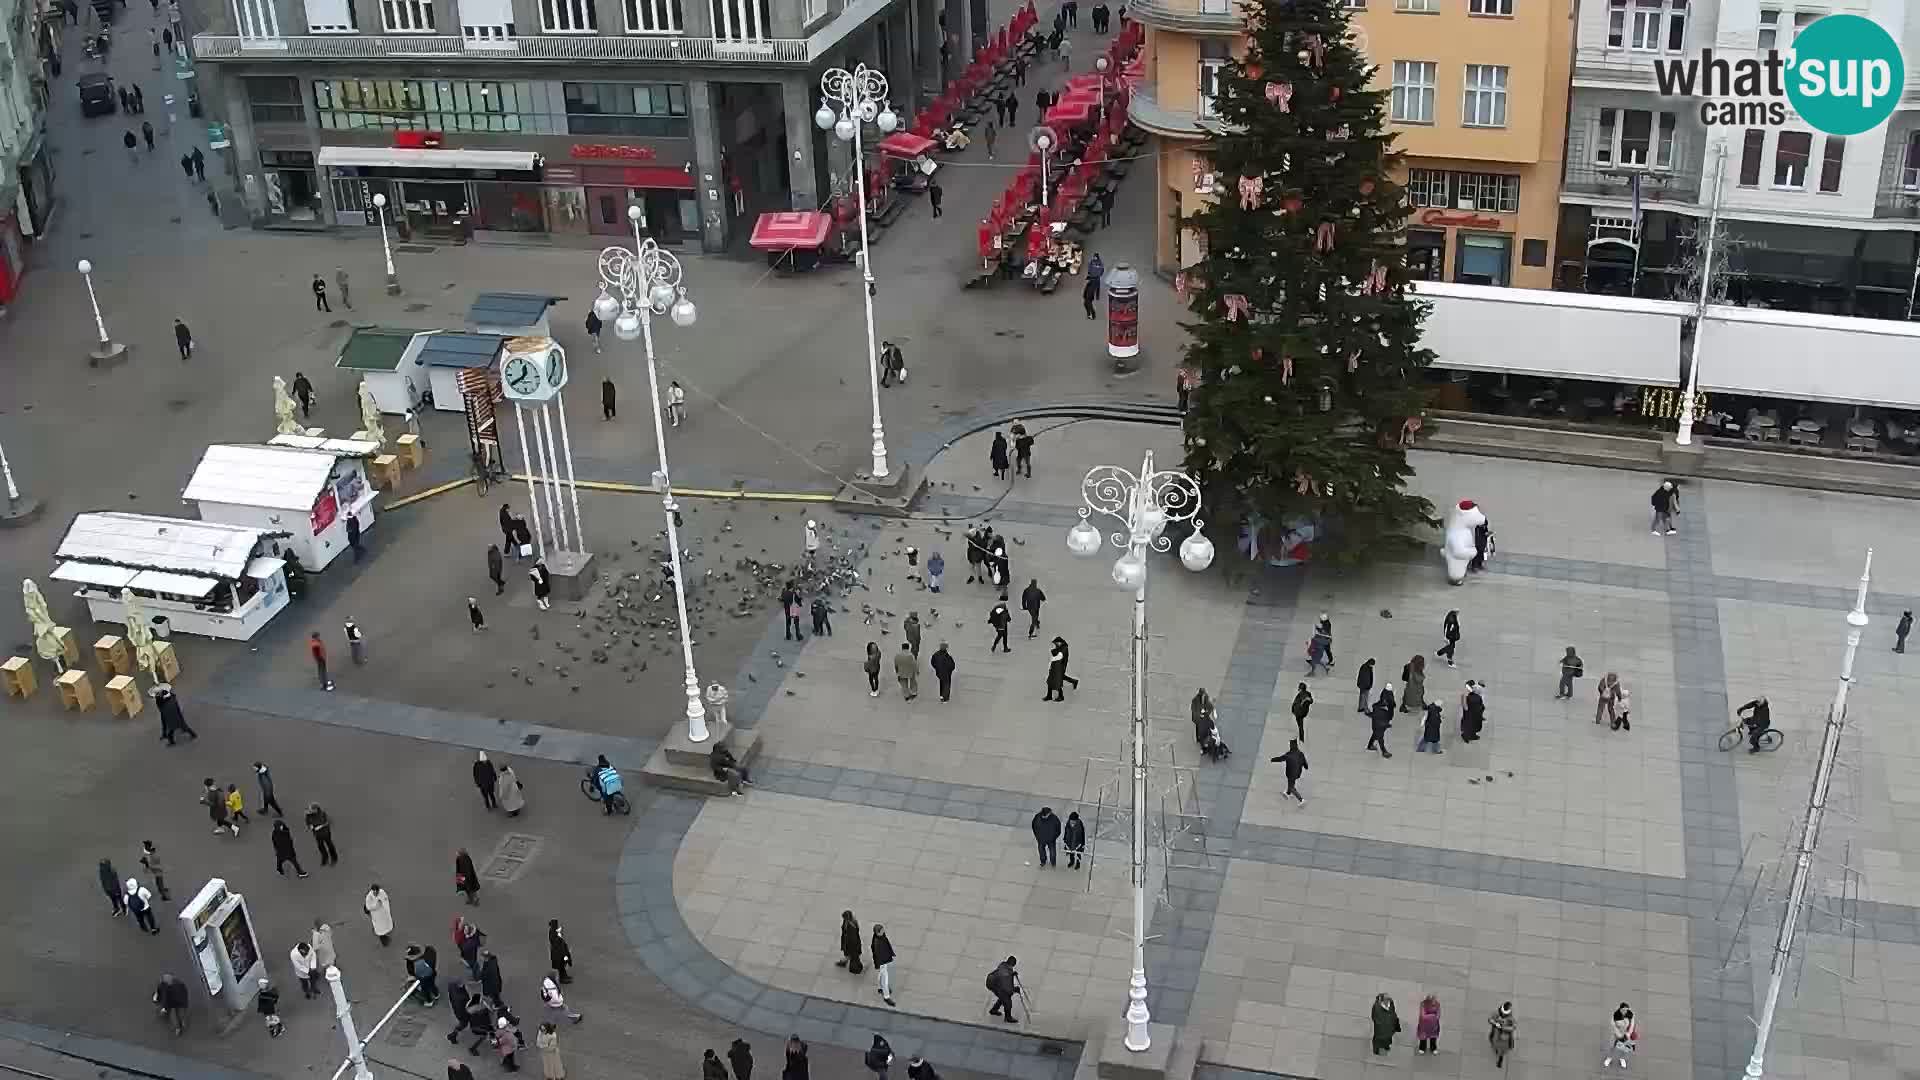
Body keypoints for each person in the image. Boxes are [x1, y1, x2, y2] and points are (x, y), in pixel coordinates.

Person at [986, 956, 1020, 1022]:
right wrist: (1014, 989)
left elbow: (1006, 975)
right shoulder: (1005, 974)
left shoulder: (1004, 965)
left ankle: (994, 1010)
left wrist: (1012, 974)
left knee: (1004, 996)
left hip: (994, 982)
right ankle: (1008, 1018)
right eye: (1013, 964)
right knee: (1007, 1001)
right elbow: (1006, 987)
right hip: (996, 986)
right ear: (1012, 963)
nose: (1013, 966)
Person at [1603, 1003, 1636, 1068]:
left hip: (1626, 1034)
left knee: (1626, 1048)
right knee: (1612, 1046)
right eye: (1623, 1010)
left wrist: (1629, 1033)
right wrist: (1619, 1035)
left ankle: (1622, 1058)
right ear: (1620, 1009)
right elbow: (1613, 1025)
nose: (1625, 1011)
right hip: (1616, 1034)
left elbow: (1632, 1025)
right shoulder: (1616, 1015)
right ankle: (1609, 1058)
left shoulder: (1631, 1014)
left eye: (1626, 1010)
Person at [871, 924, 897, 1005]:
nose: (884, 931)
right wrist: (880, 964)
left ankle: (880, 988)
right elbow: (878, 955)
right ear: (878, 933)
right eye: (882, 930)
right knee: (885, 979)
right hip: (881, 962)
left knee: (881, 974)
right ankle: (886, 997)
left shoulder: (879, 937)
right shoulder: (877, 943)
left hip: (882, 962)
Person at [1487, 1002, 1516, 1068]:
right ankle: (1497, 1051)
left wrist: (1504, 1028)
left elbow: (1513, 1027)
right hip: (1496, 1032)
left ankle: (1500, 1057)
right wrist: (1495, 1024)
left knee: (1502, 1049)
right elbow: (1490, 1020)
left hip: (1505, 1036)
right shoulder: (1496, 1013)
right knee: (1494, 1042)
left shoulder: (1510, 1018)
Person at [1366, 688, 1394, 758]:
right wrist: (1387, 725)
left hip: (1377, 726)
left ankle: (1370, 746)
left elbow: (1373, 715)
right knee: (1380, 739)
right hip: (1379, 727)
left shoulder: (1377, 707)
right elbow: (1381, 721)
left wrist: (1368, 713)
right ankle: (1384, 751)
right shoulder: (1383, 711)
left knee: (1375, 735)